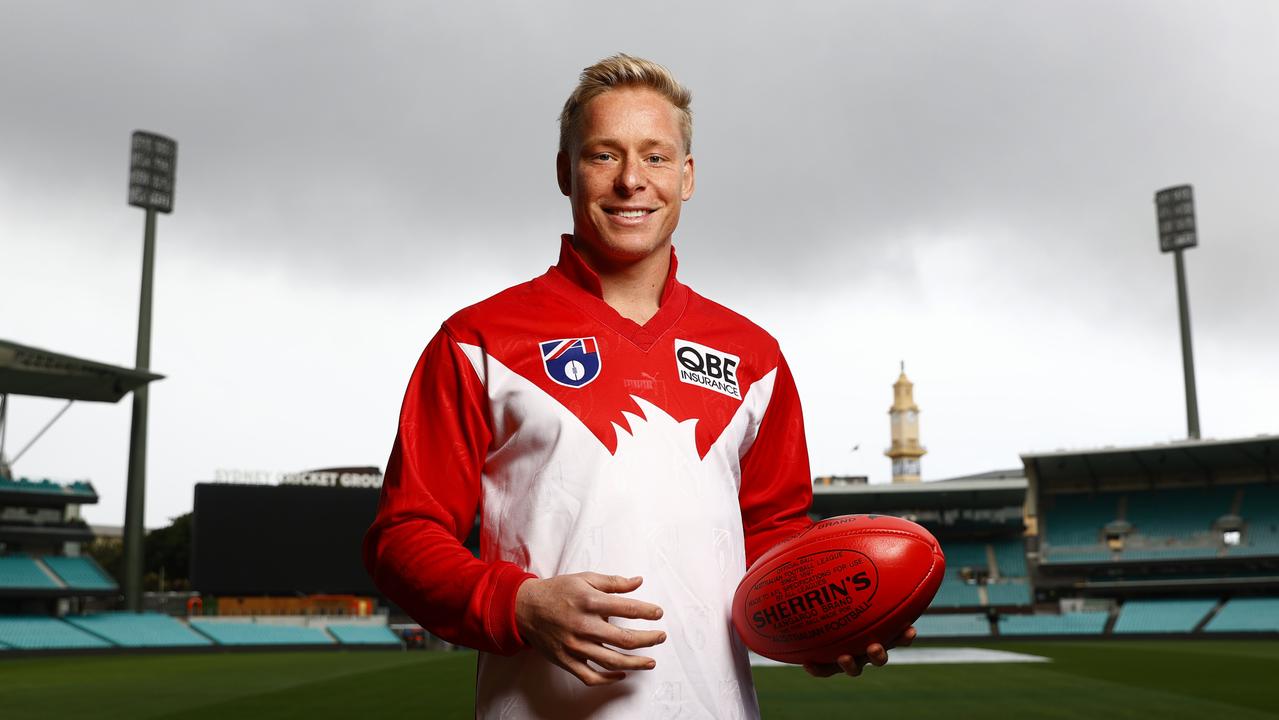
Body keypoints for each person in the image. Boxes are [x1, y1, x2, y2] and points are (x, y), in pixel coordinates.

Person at [363, 53, 912, 719]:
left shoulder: (752, 356)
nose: (631, 181)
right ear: (564, 172)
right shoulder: (478, 340)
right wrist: (517, 603)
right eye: (603, 155)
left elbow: (771, 538)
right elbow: (404, 535)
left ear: (686, 177)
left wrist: (824, 622)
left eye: (654, 157)